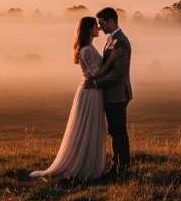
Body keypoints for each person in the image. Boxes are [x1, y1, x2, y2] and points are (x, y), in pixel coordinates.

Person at [30, 16, 123, 180]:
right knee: (86, 127)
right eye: (96, 26)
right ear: (89, 29)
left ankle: (89, 162)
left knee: (91, 127)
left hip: (94, 91)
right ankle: (82, 165)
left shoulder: (90, 47)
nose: (99, 28)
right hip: (90, 92)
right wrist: (112, 60)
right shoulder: (86, 50)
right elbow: (95, 74)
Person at [87, 7, 132, 176]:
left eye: (102, 23)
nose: (99, 27)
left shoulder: (120, 41)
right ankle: (116, 166)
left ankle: (123, 168)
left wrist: (97, 83)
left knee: (119, 131)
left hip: (118, 93)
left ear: (111, 21)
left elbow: (118, 72)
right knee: (114, 130)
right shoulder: (111, 39)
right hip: (112, 93)